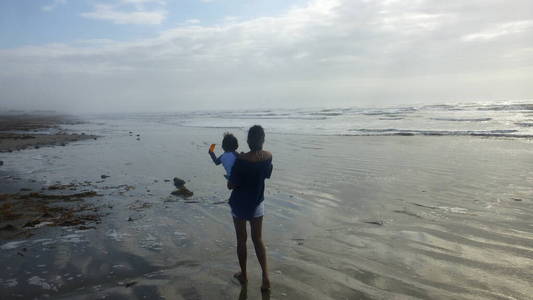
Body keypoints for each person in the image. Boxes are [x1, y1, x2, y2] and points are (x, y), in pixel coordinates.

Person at [228, 125, 273, 292]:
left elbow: (231, 185)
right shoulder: (268, 157)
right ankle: (266, 278)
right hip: (257, 203)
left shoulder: (241, 161)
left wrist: (233, 173)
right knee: (258, 239)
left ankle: (244, 275)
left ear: (247, 141)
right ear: (263, 140)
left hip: (239, 204)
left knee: (241, 240)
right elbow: (267, 174)